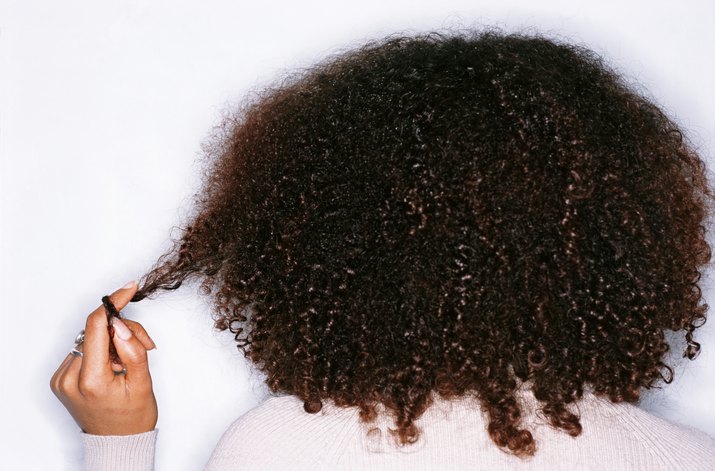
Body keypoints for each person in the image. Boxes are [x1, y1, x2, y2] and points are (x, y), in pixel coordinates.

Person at [50, 30, 715, 470]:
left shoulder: (279, 448)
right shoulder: (684, 458)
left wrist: (118, 441)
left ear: (320, 244)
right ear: (622, 244)